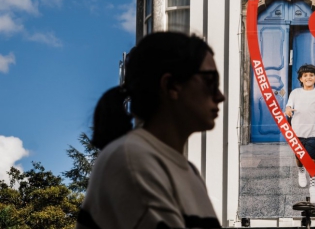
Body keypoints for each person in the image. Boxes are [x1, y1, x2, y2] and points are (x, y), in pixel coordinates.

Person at [76, 32, 225, 229]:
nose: (220, 95)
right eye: (210, 81)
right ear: (171, 86)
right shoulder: (132, 160)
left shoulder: (187, 171)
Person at [284, 64, 315, 204]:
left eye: (311, 75)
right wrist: (287, 110)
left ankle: (313, 187)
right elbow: (288, 106)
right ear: (301, 79)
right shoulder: (295, 93)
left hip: (311, 133)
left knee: (311, 159)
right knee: (300, 158)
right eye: (305, 75)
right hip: (296, 133)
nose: (308, 77)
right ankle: (301, 171)